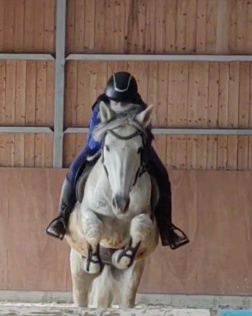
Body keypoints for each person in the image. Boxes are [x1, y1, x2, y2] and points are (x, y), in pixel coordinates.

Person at [45, 72, 189, 250]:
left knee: (161, 174)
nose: (119, 105)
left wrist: (140, 148)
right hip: (102, 145)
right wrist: (107, 141)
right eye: (116, 101)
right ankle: (62, 217)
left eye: (124, 102)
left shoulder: (140, 109)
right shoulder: (100, 107)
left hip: (132, 147)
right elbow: (93, 136)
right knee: (74, 169)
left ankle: (167, 227)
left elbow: (147, 137)